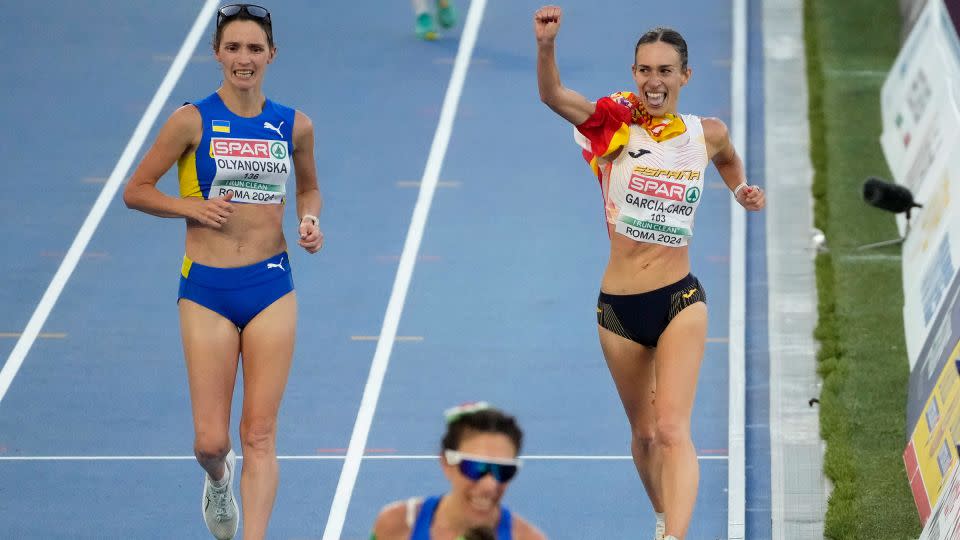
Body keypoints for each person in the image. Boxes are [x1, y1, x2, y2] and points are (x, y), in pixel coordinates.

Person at [533, 6, 764, 540]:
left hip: (680, 299)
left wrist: (740, 188)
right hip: (618, 309)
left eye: (665, 71)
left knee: (672, 429)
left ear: (685, 76)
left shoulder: (705, 132)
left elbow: (727, 155)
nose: (653, 81)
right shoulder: (611, 128)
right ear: (633, 73)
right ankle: (664, 518)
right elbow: (553, 96)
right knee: (642, 435)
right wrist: (546, 47)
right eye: (644, 70)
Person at [123, 4, 323, 539]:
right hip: (207, 289)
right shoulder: (191, 119)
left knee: (259, 434)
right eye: (233, 48)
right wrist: (192, 207)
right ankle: (217, 480)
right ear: (216, 53)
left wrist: (310, 220)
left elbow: (308, 187)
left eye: (254, 49)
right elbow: (135, 191)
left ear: (271, 56)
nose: (243, 59)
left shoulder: (293, 124)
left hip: (271, 285)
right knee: (211, 442)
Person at [371, 403, 547, 540]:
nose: (490, 485)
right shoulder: (397, 526)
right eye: (475, 468)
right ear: (446, 463)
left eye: (504, 470)